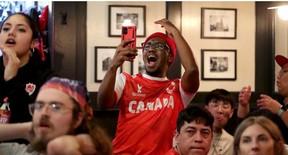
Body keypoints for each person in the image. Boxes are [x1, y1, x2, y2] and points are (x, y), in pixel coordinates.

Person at [97, 18, 199, 154]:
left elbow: (192, 70)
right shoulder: (126, 80)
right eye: (147, 45)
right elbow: (103, 103)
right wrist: (112, 67)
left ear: (169, 57)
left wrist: (175, 32)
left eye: (158, 46)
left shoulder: (178, 88)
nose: (151, 48)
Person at [0, 77, 113, 155]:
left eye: (55, 107)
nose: (44, 113)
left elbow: (59, 146)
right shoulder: (20, 152)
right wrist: (25, 129)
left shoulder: (86, 149)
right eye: (39, 106)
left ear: (77, 119)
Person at [0, 12, 55, 126]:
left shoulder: (46, 78)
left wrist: (11, 79)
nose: (11, 33)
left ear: (33, 43)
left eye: (21, 30)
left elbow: (38, 121)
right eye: (6, 28)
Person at [238, 54, 288, 143]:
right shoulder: (274, 103)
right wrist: (243, 104)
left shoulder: (276, 106)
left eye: (284, 71)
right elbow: (245, 123)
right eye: (279, 72)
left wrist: (279, 110)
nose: (278, 76)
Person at [205, 89, 234, 155]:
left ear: (231, 113)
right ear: (206, 109)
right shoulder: (194, 135)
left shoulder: (231, 142)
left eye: (225, 106)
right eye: (215, 105)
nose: (220, 110)